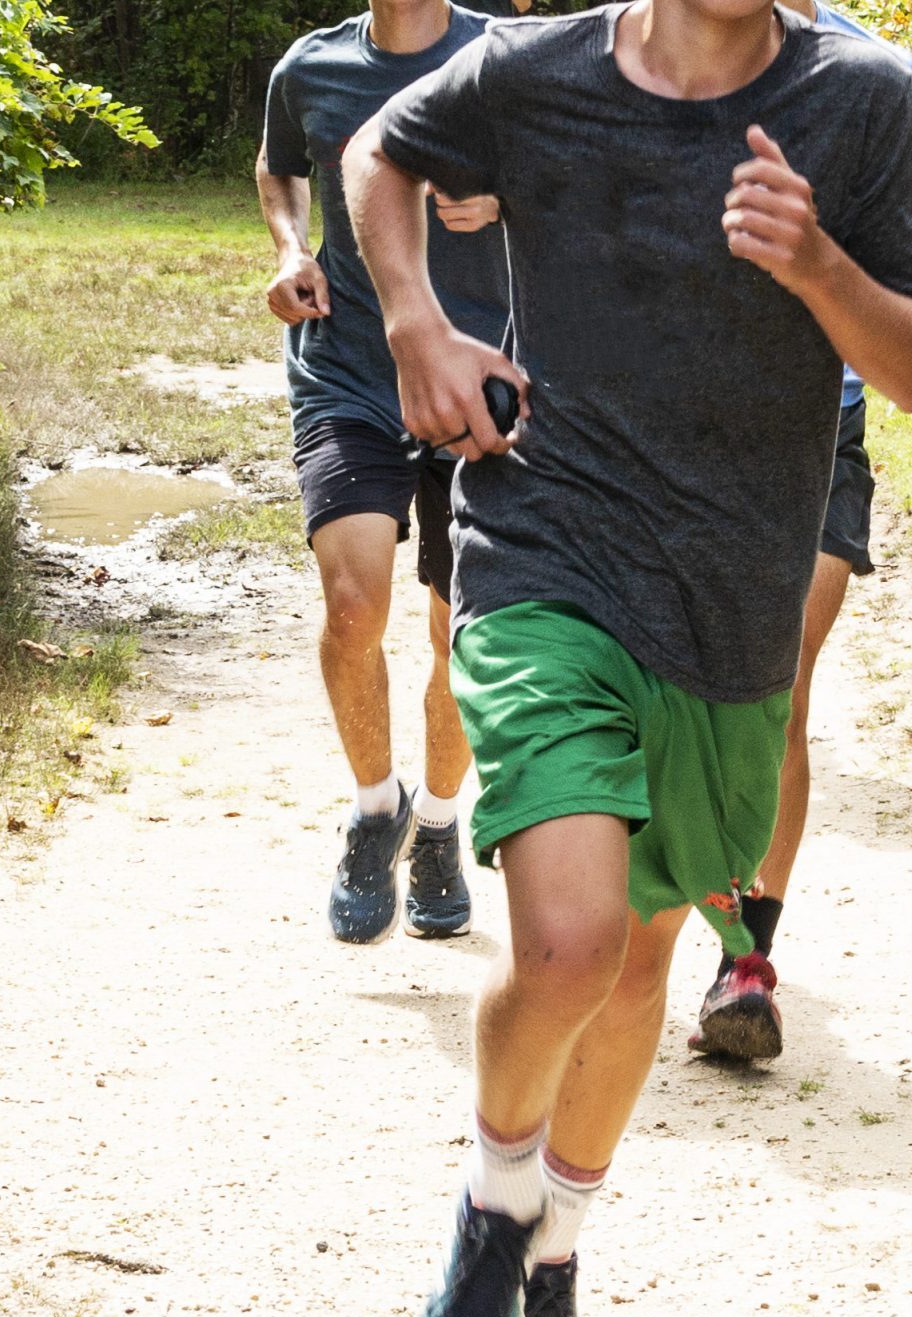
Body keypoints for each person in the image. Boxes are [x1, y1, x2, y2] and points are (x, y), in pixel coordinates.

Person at [345, 0, 912, 1317]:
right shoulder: (535, 67)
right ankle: (495, 1214)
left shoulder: (861, 97)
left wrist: (817, 263)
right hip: (546, 550)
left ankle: (555, 1265)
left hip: (729, 614)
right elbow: (380, 149)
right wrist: (415, 320)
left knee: (630, 971)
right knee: (565, 941)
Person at [689, 0, 912, 1062]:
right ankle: (641, 922)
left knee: (780, 685)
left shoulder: (869, 71)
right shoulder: (647, 50)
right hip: (666, 440)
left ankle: (743, 958)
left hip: (821, 428)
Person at [259, 0, 511, 943]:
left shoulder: (501, 57)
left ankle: (441, 824)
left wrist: (505, 197)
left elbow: (581, 184)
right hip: (349, 373)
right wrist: (290, 249)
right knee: (354, 605)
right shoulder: (310, 68)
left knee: (461, 635)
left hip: (469, 375)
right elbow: (279, 170)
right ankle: (376, 811)